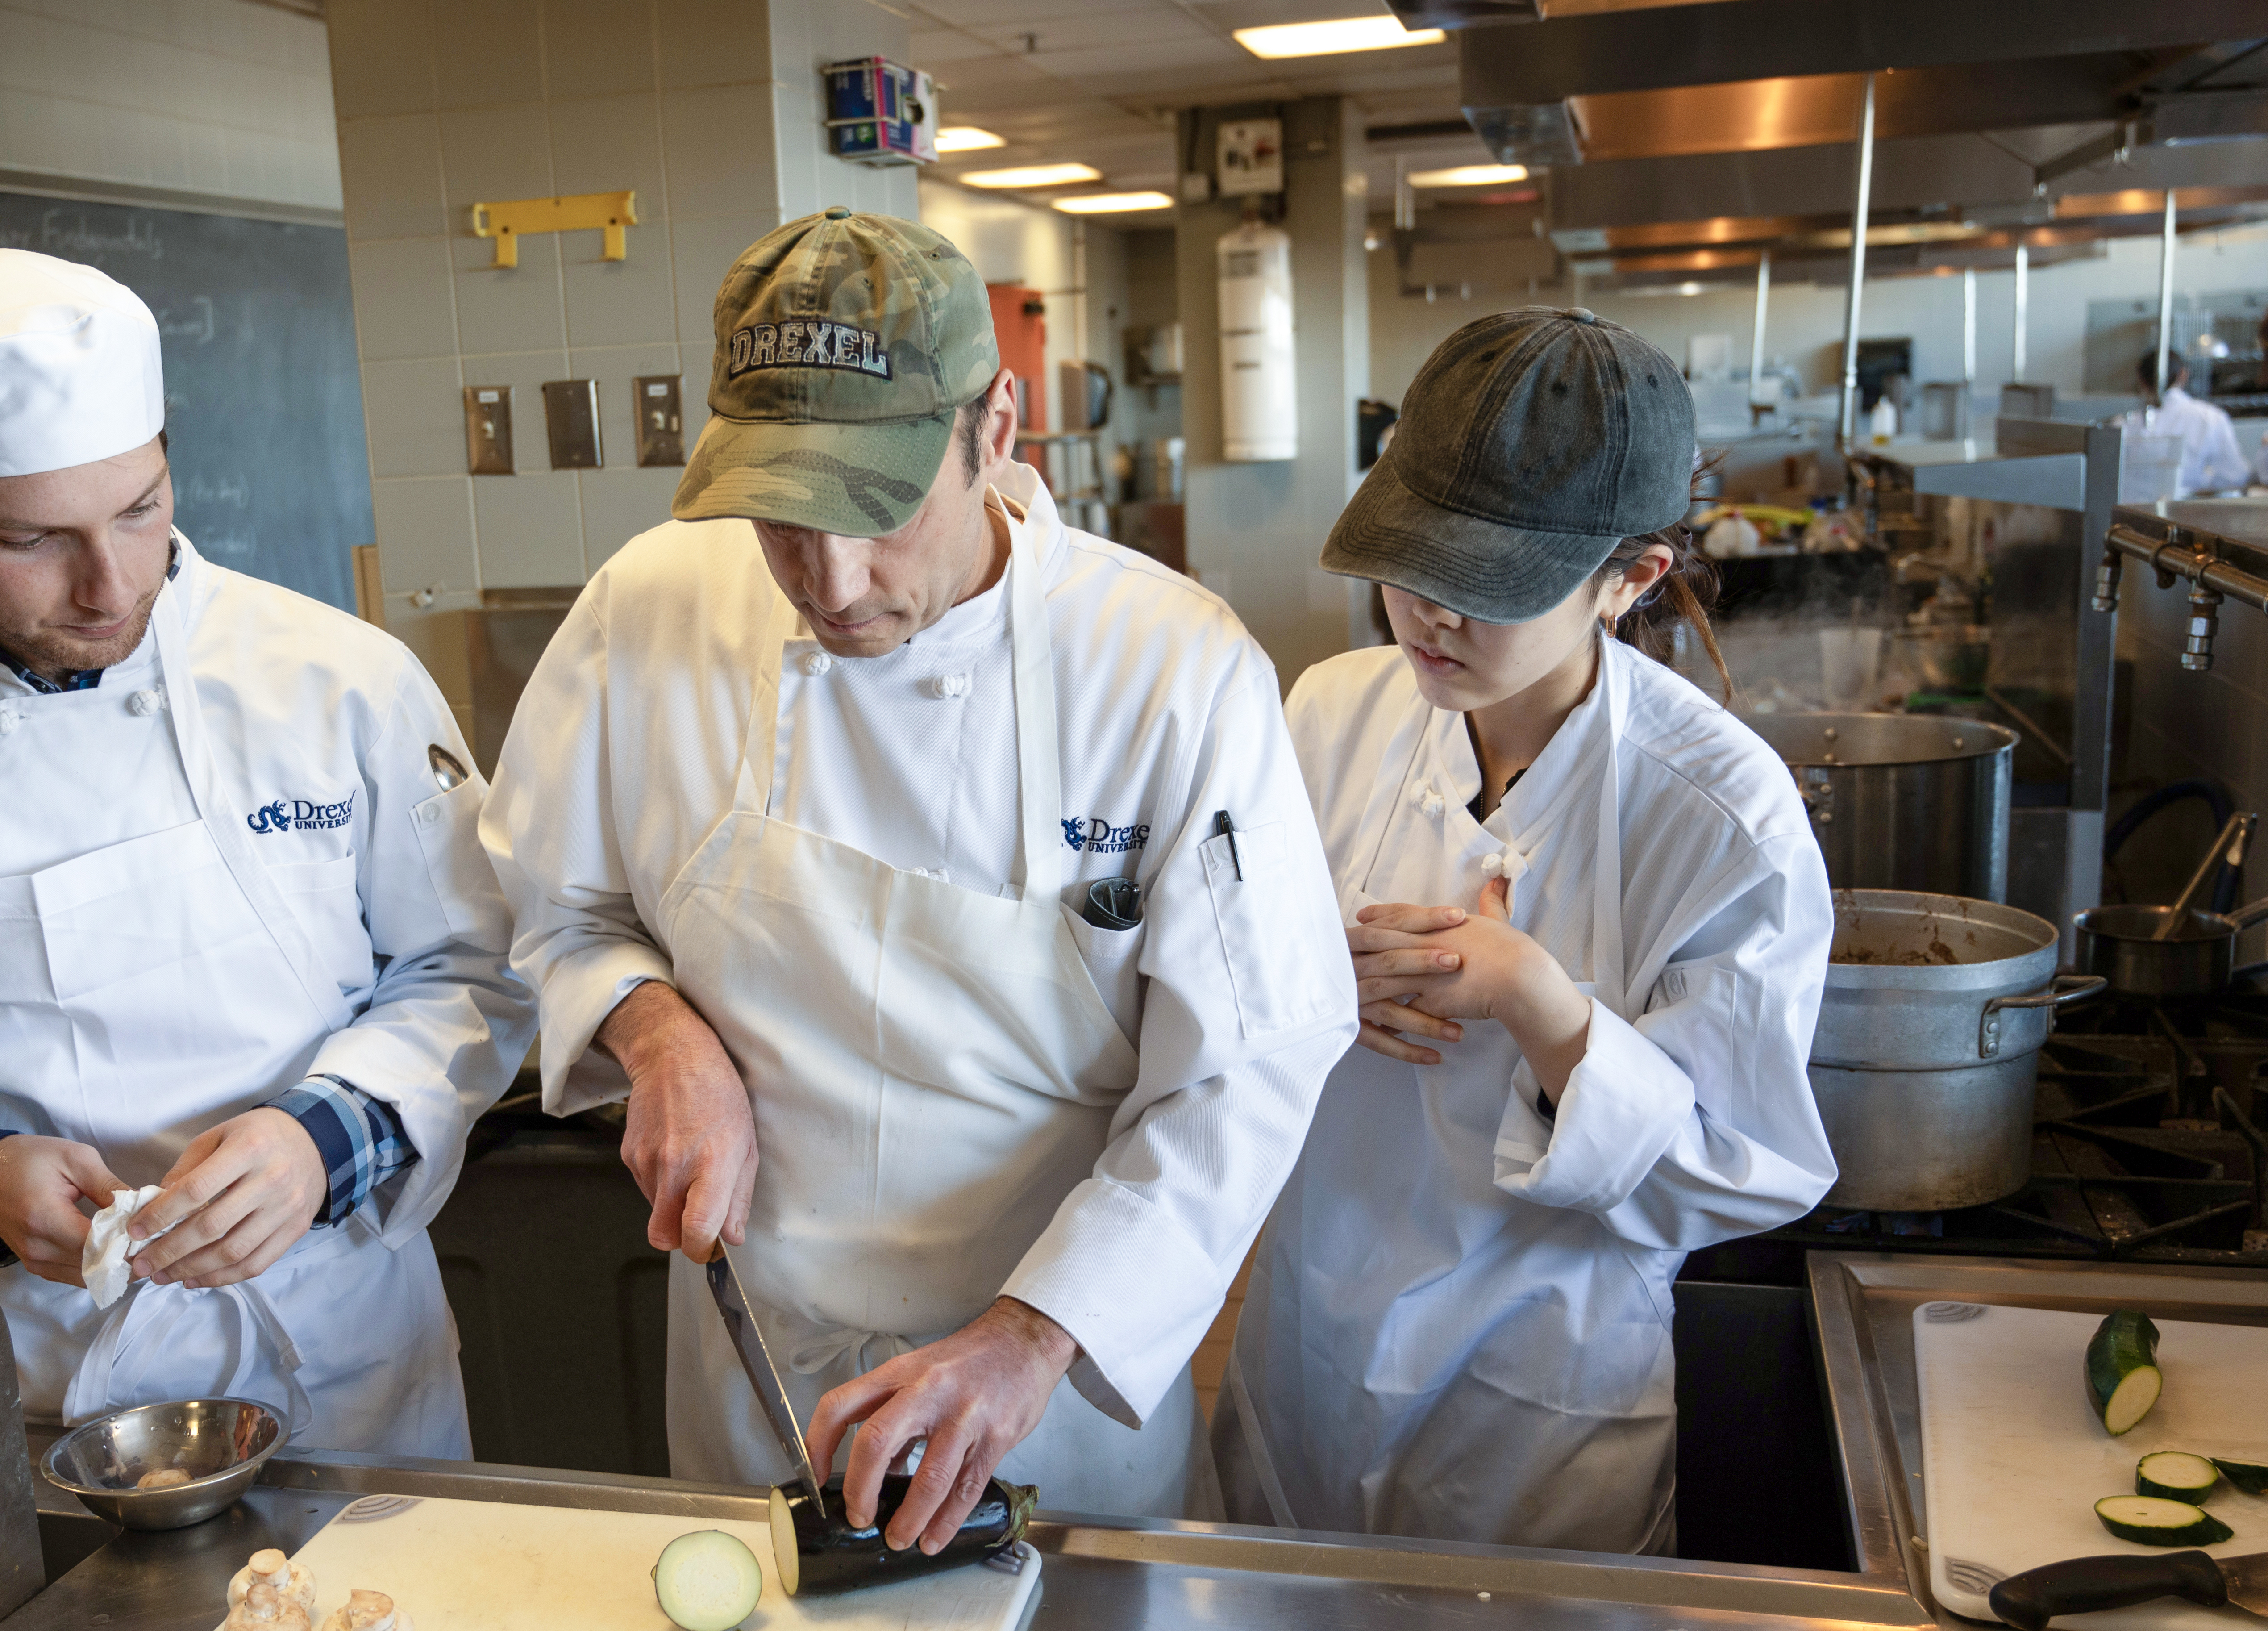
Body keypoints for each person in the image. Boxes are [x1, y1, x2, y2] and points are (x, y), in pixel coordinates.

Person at [479, 209, 1353, 1552]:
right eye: (780, 517)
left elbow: (1246, 1067)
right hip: (755, 1360)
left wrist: (1029, 1337)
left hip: (1048, 1385)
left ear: (996, 428)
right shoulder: (648, 608)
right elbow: (556, 903)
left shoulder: (1170, 669)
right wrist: (653, 1033)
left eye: (879, 511)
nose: (830, 580)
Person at [0, 249, 535, 1457]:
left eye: (141, 507)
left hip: (345, 1373)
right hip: (25, 1389)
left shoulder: (338, 684)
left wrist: (323, 1138)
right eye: (32, 539)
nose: (109, 585)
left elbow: (476, 966)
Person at [1219, 307, 1837, 1555]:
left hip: (1535, 1397)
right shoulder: (1329, 714)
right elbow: (1206, 974)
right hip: (1310, 1336)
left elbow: (1738, 1168)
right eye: (1412, 561)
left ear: (1631, 578)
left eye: (1489, 586)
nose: (1432, 615)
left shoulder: (1722, 816)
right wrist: (1300, 974)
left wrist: (1539, 1004)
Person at [2128, 348, 2249, 497]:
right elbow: (2236, 476)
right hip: (2192, 512)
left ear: (2142, 381)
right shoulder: (2210, 417)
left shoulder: (2126, 424)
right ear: (2184, 375)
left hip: (2134, 514)